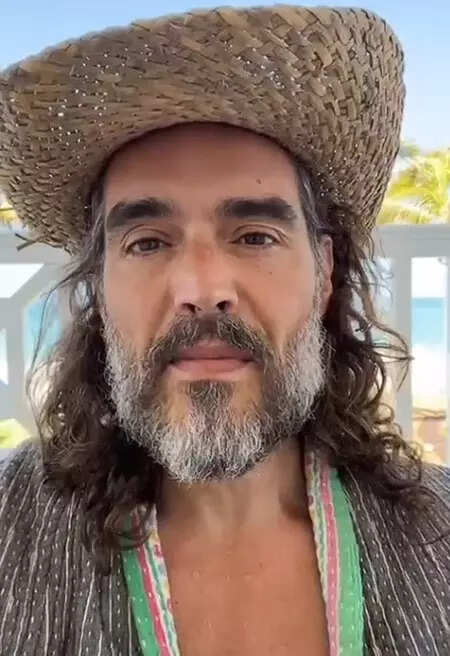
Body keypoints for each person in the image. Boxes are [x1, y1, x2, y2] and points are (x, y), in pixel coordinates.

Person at [0, 4, 448, 655]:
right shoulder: (11, 528)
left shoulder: (436, 538)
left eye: (255, 235)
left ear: (324, 272)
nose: (202, 288)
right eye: (148, 242)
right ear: (99, 285)